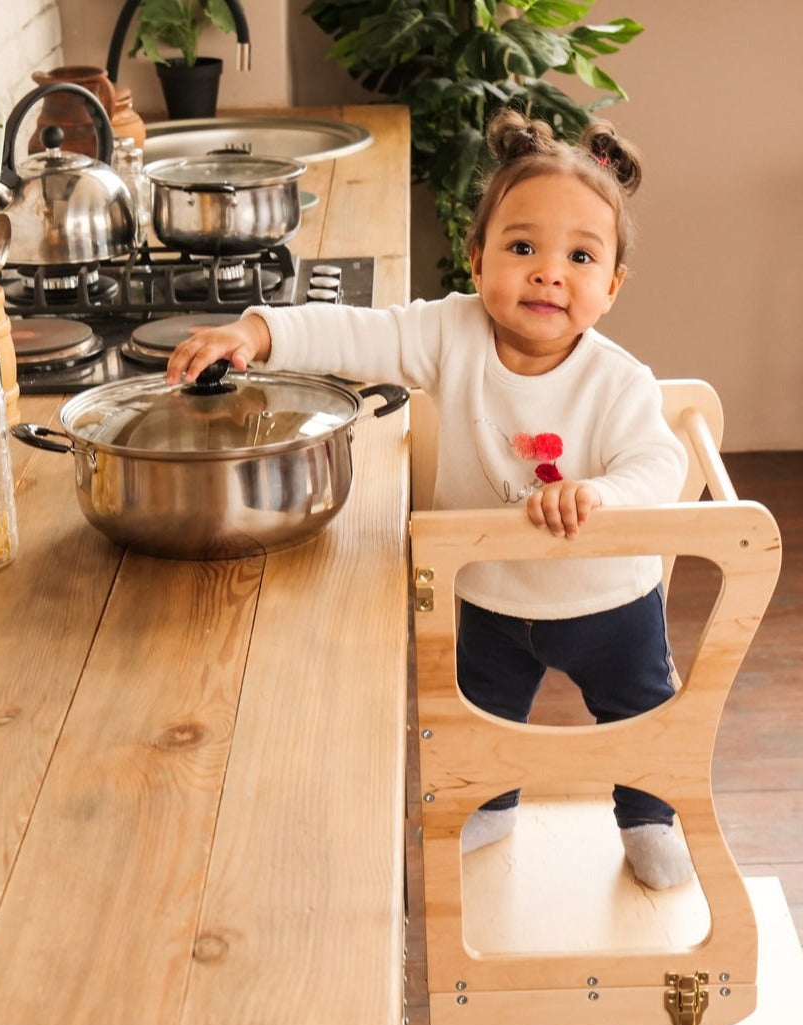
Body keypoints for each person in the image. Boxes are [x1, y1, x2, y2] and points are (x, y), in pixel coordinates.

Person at [167, 109, 694, 890]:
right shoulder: (451, 332)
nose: (548, 272)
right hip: (484, 589)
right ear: (477, 260)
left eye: (579, 256)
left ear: (611, 286)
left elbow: (659, 463)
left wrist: (597, 493)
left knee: (640, 716)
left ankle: (649, 815)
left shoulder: (618, 381)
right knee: (479, 709)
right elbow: (359, 333)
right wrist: (258, 332)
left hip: (606, 599)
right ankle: (492, 799)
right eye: (522, 248)